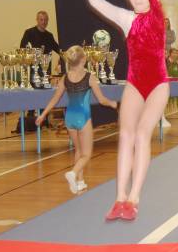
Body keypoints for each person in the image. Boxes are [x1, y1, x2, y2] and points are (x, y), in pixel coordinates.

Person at [74, 0, 173, 221]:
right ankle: (119, 198)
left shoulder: (156, 16)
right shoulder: (127, 18)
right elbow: (97, 3)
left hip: (157, 85)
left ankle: (134, 198)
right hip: (135, 84)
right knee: (125, 135)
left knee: (142, 134)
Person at [36, 46, 117, 194]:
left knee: (78, 150)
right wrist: (113, 103)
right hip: (83, 117)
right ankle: (73, 173)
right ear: (84, 60)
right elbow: (101, 100)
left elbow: (55, 99)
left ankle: (80, 182)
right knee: (86, 154)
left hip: (69, 118)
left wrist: (43, 115)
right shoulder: (89, 77)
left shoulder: (65, 78)